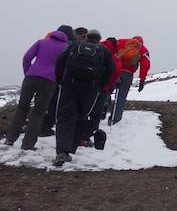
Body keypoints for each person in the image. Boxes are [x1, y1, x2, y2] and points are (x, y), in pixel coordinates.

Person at [52, 30, 115, 166]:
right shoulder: (104, 51)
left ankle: (62, 152)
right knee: (81, 116)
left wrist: (59, 79)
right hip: (91, 89)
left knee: (64, 117)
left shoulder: (75, 46)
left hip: (70, 85)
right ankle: (72, 147)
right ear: (99, 39)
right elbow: (111, 68)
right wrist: (100, 85)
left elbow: (60, 60)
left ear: (87, 37)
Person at [3, 27, 71, 150]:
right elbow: (66, 68)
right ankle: (27, 145)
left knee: (22, 108)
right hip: (49, 81)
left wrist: (28, 72)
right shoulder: (66, 48)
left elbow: (27, 57)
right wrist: (59, 80)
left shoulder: (42, 42)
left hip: (31, 76)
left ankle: (10, 139)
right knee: (38, 112)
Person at [39, 25, 77, 138]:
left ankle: (35, 126)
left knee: (41, 103)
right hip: (57, 78)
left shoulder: (46, 40)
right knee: (53, 104)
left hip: (39, 75)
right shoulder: (68, 46)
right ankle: (45, 128)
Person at [111, 36, 150, 122]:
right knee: (121, 96)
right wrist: (142, 80)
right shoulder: (143, 49)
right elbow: (145, 66)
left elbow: (110, 51)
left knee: (107, 91)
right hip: (127, 74)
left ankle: (104, 106)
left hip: (115, 71)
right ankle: (115, 118)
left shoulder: (121, 41)